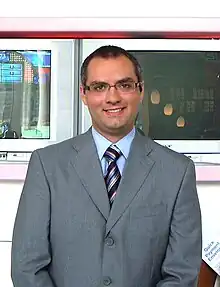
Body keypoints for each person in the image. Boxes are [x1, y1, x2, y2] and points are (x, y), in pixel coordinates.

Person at [11, 45, 202, 287]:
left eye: (124, 85)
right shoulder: (47, 166)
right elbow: (27, 267)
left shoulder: (178, 171)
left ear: (140, 90)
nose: (113, 97)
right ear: (84, 94)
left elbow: (182, 274)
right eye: (100, 87)